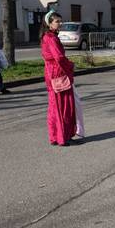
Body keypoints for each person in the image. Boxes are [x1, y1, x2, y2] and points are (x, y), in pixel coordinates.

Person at [40, 11, 77, 146]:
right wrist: (71, 65)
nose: (60, 24)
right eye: (57, 21)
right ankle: (63, 137)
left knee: (55, 106)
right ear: (49, 23)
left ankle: (56, 136)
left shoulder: (48, 36)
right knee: (63, 106)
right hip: (57, 73)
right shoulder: (51, 37)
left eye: (60, 21)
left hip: (52, 73)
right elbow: (59, 58)